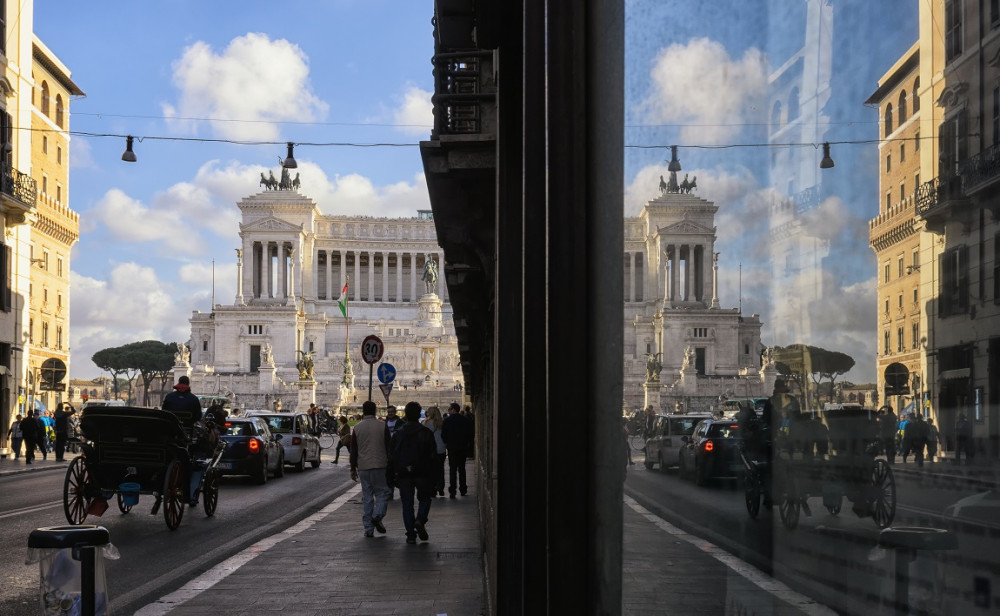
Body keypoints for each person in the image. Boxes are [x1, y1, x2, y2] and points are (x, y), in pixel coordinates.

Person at [389, 401, 438, 544]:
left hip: (404, 473)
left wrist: (392, 474)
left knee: (407, 503)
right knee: (425, 498)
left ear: (405, 415)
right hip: (422, 472)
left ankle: (410, 534)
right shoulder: (426, 433)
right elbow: (433, 456)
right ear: (419, 415)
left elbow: (392, 455)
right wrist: (435, 477)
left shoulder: (398, 433)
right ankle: (420, 519)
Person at [349, 400, 392, 537]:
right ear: (375, 411)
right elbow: (388, 446)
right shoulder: (382, 426)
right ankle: (377, 515)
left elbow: (353, 450)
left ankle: (368, 528)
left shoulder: (357, 428)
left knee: (367, 497)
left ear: (363, 410)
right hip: (380, 464)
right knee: (382, 493)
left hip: (363, 466)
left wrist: (352, 468)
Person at [161, 375, 204, 505]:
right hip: (185, 434)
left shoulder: (169, 397)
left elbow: (164, 412)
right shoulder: (193, 399)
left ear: (178, 383)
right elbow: (198, 416)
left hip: (170, 433)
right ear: (188, 384)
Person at [441, 401, 472, 498]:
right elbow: (469, 434)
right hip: (462, 447)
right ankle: (463, 489)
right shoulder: (465, 420)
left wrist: (447, 443)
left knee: (453, 469)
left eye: (450, 409)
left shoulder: (447, 421)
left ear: (453, 410)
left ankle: (453, 490)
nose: (448, 411)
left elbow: (443, 435)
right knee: (462, 469)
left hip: (452, 448)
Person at [422, 406, 447, 495]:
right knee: (440, 469)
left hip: (431, 450)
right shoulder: (442, 423)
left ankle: (432, 488)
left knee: (431, 469)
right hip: (441, 449)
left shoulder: (426, 423)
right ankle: (440, 487)